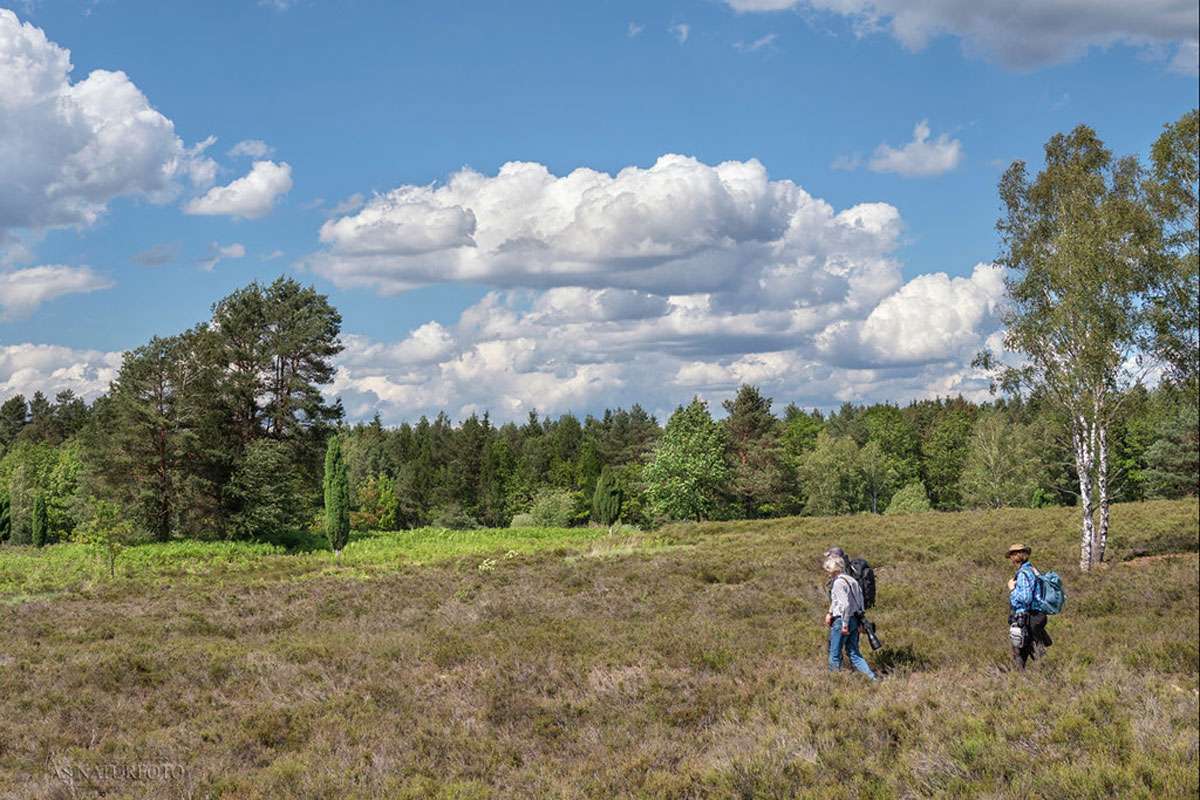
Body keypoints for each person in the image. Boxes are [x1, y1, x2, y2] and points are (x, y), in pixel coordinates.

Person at [823, 555, 877, 681]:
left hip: (842, 621)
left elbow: (845, 605)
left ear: (832, 569)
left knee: (834, 653)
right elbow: (860, 602)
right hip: (855, 619)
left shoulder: (838, 583)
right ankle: (872, 679)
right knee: (854, 653)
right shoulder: (853, 580)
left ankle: (835, 681)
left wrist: (844, 624)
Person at [1007, 543, 1052, 670]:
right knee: (1029, 649)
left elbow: (1025, 598)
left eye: (1012, 555)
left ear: (1017, 556)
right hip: (1035, 615)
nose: (1011, 558)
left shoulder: (1023, 574)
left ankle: (1025, 680)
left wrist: (1012, 590)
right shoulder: (1032, 570)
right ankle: (1043, 677)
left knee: (1021, 651)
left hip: (1027, 616)